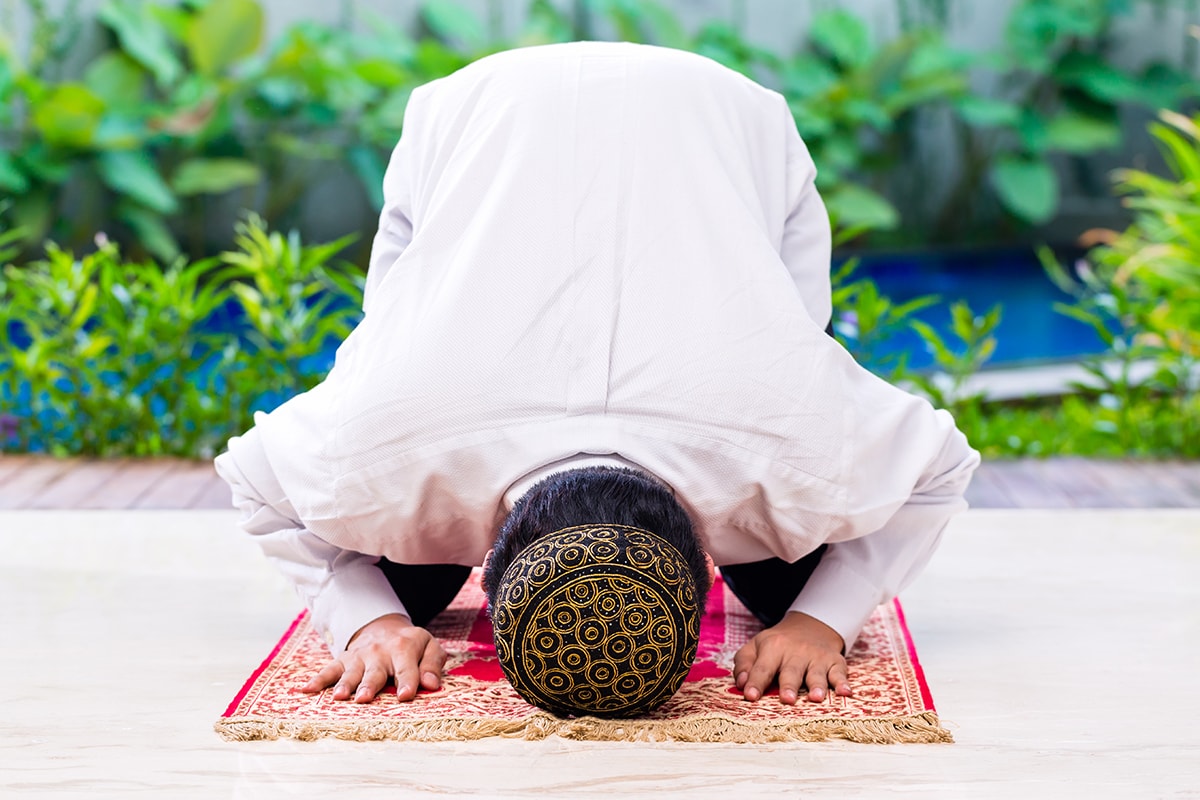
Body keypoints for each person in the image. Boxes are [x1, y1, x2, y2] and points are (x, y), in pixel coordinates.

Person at [215, 41, 980, 717]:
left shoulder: (776, 432)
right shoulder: (781, 438)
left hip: (670, 125)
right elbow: (938, 466)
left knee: (401, 587)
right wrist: (821, 616)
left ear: (480, 562)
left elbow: (255, 476)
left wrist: (368, 617)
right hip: (576, 122)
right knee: (788, 585)